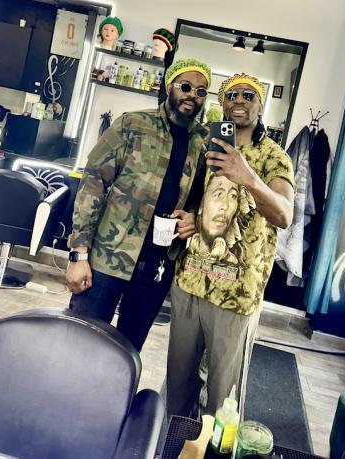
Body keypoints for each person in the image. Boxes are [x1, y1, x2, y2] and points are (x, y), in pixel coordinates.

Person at [167, 73, 295, 417]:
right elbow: (201, 201)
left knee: (222, 396)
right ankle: (175, 440)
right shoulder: (209, 148)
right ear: (222, 104)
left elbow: (284, 215)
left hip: (235, 293)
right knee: (178, 384)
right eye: (232, 95)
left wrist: (248, 177)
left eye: (248, 96)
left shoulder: (274, 157)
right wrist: (193, 217)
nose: (239, 100)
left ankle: (212, 445)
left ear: (260, 106)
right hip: (191, 281)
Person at [66, 57, 212, 351]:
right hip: (109, 257)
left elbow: (202, 197)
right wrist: (78, 255)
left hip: (157, 265)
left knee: (127, 350)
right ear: (169, 87)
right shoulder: (132, 124)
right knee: (79, 344)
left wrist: (194, 218)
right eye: (185, 87)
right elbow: (93, 183)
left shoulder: (203, 142)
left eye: (200, 91)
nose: (192, 96)